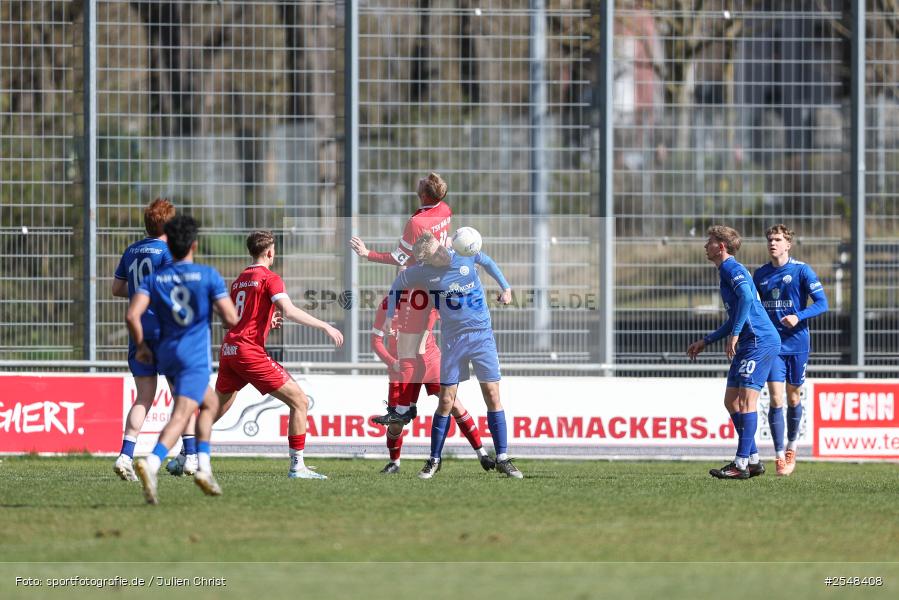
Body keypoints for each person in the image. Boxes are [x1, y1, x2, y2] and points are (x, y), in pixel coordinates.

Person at [385, 231, 521, 479]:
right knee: (446, 401)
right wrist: (387, 319)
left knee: (492, 395)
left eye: (440, 248)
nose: (442, 253)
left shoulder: (463, 253)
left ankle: (502, 457)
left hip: (482, 336)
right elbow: (396, 286)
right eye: (436, 254)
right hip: (453, 341)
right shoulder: (422, 272)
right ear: (427, 261)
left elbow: (488, 262)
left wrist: (507, 288)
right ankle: (434, 460)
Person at [214, 230, 344, 479]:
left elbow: (229, 322)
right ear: (270, 252)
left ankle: (185, 455)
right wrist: (325, 325)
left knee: (215, 409)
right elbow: (290, 311)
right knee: (300, 401)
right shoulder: (269, 277)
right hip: (248, 351)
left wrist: (264, 322)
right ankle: (297, 466)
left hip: (230, 348)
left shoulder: (240, 279)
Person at [128, 215, 239, 504]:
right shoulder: (207, 275)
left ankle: (203, 466)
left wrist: (141, 346)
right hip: (193, 356)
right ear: (194, 244)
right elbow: (230, 317)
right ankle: (152, 463)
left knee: (209, 403)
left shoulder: (156, 278)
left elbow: (132, 315)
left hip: (166, 353)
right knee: (182, 413)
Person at [686, 225, 781, 480]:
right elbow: (737, 313)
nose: (706, 245)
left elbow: (748, 300)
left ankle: (740, 465)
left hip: (759, 340)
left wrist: (736, 334)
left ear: (722, 246)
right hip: (749, 339)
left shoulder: (731, 268)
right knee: (731, 401)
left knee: (746, 401)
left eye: (710, 241)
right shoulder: (724, 272)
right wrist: (707, 340)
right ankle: (753, 460)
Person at [349, 173, 452, 407]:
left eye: (422, 182)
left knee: (409, 353)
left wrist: (367, 254)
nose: (418, 181)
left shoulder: (416, 223)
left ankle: (405, 406)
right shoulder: (445, 209)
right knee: (444, 394)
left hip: (421, 287)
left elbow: (399, 258)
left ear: (423, 194)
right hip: (438, 283)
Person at [369, 294, 495, 474]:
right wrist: (392, 362)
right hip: (401, 368)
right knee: (397, 421)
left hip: (429, 361)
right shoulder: (388, 303)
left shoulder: (426, 297)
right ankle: (394, 462)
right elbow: (375, 340)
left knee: (453, 405)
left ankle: (481, 453)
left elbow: (438, 315)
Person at [112, 198, 180, 482]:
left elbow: (117, 288)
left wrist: (139, 286)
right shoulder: (167, 251)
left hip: (138, 329)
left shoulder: (131, 250)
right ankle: (189, 454)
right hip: (163, 330)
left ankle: (125, 455)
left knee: (143, 396)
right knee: (182, 394)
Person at [754, 224, 828, 476]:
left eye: (777, 240)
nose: (772, 243)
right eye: (770, 240)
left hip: (797, 344)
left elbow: (822, 303)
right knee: (775, 398)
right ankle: (778, 457)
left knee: (793, 397)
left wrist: (799, 316)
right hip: (772, 345)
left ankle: (792, 447)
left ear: (788, 244)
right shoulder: (760, 275)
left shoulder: (801, 271)